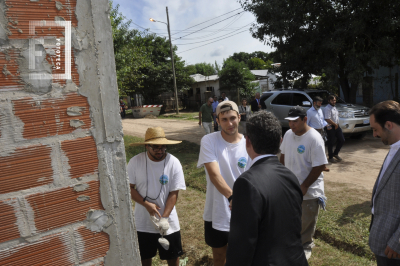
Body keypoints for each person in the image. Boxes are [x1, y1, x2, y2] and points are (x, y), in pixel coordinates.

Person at [226, 111, 308, 266]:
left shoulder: (247, 183)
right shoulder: (290, 176)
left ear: (247, 141)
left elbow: (242, 244)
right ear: (280, 140)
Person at [197, 101, 250, 266]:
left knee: (242, 256)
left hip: (244, 212)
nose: (230, 123)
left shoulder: (249, 144)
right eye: (224, 119)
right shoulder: (209, 141)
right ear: (217, 121)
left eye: (232, 118)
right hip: (218, 211)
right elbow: (214, 174)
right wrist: (232, 197)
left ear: (239, 117)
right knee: (219, 257)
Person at [127, 127, 186, 266]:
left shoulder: (174, 162)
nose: (160, 150)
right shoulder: (135, 162)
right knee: (144, 257)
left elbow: (174, 193)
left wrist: (164, 219)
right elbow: (129, 188)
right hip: (143, 222)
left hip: (168, 221)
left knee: (173, 256)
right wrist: (146, 204)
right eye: (155, 147)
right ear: (147, 146)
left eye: (163, 147)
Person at [280, 106, 328, 260]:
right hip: (290, 189)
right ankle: (291, 247)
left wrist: (305, 185)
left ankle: (303, 252)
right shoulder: (288, 134)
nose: (291, 125)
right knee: (291, 222)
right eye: (290, 121)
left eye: (295, 121)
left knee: (305, 225)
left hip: (308, 191)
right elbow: (283, 155)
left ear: (305, 119)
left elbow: (320, 165)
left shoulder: (314, 138)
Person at [369, 100, 400, 266]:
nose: (374, 135)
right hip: (383, 237)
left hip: (394, 248)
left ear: (389, 124)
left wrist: (397, 241)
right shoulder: (394, 148)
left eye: (375, 129)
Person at [324, 95, 345, 163]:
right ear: (329, 101)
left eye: (335, 100)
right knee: (331, 142)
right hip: (331, 126)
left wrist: (337, 125)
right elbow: (327, 118)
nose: (334, 102)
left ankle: (335, 153)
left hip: (336, 126)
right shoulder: (327, 108)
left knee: (342, 140)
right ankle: (330, 157)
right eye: (332, 100)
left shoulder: (334, 107)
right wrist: (335, 125)